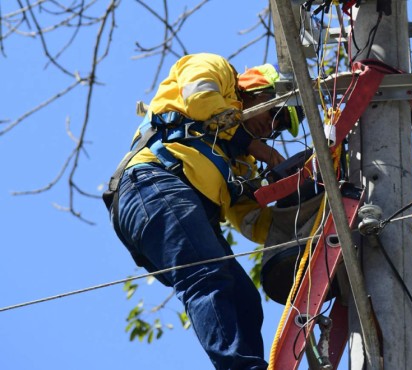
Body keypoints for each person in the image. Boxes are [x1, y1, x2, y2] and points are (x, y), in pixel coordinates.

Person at [104, 53, 303, 370]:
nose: (271, 127)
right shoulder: (215, 68)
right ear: (258, 85)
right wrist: (254, 146)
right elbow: (199, 98)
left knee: (244, 302)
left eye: (278, 128)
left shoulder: (238, 162)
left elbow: (252, 222)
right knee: (207, 274)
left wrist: (303, 211)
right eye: (276, 113)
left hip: (179, 210)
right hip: (153, 184)